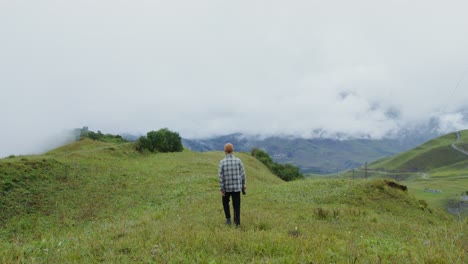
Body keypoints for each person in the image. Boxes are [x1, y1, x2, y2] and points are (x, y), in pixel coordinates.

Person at [218, 143, 246, 227]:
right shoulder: (238, 161)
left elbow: (220, 177)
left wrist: (221, 188)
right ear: (232, 151)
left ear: (225, 151)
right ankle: (237, 222)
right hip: (237, 188)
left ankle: (228, 219)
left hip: (226, 188)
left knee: (225, 203)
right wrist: (243, 185)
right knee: (236, 205)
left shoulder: (222, 162)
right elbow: (243, 174)